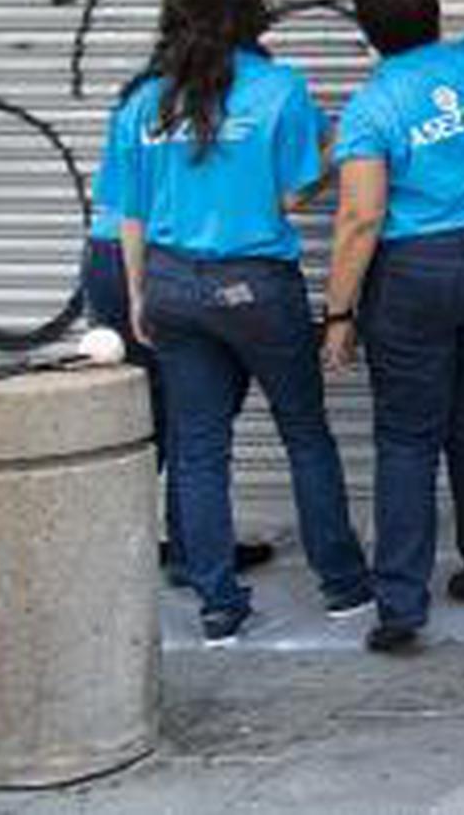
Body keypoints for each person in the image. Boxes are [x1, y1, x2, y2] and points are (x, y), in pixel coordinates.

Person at [112, 0, 370, 645]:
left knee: (198, 449)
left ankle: (219, 608)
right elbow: (293, 194)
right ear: (248, 3)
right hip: (256, 287)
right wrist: (331, 150)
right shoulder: (278, 88)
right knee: (305, 434)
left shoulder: (142, 102)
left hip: (170, 283)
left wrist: (139, 294)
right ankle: (345, 589)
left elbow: (129, 212)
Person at [319, 0, 464, 654]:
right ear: (436, 16)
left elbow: (360, 218)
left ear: (369, 35)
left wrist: (339, 314)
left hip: (417, 274)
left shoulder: (372, 106)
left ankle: (402, 605)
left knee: (408, 437)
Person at [84, 91, 276, 584]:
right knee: (198, 415)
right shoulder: (239, 89)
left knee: (142, 414)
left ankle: (105, 548)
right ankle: (194, 551)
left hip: (107, 252)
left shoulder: (140, 97)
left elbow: (120, 192)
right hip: (162, 255)